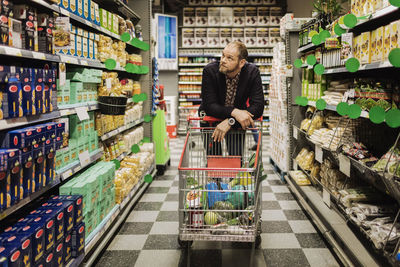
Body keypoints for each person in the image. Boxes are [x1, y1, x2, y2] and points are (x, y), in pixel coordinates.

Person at [199, 41, 264, 156]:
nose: (223, 60)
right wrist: (235, 112)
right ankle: (215, 173)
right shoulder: (210, 71)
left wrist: (230, 121)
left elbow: (258, 107)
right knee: (214, 160)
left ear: (241, 62)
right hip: (210, 120)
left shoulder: (252, 72)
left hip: (236, 124)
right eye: (223, 55)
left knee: (235, 160)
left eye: (230, 58)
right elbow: (210, 106)